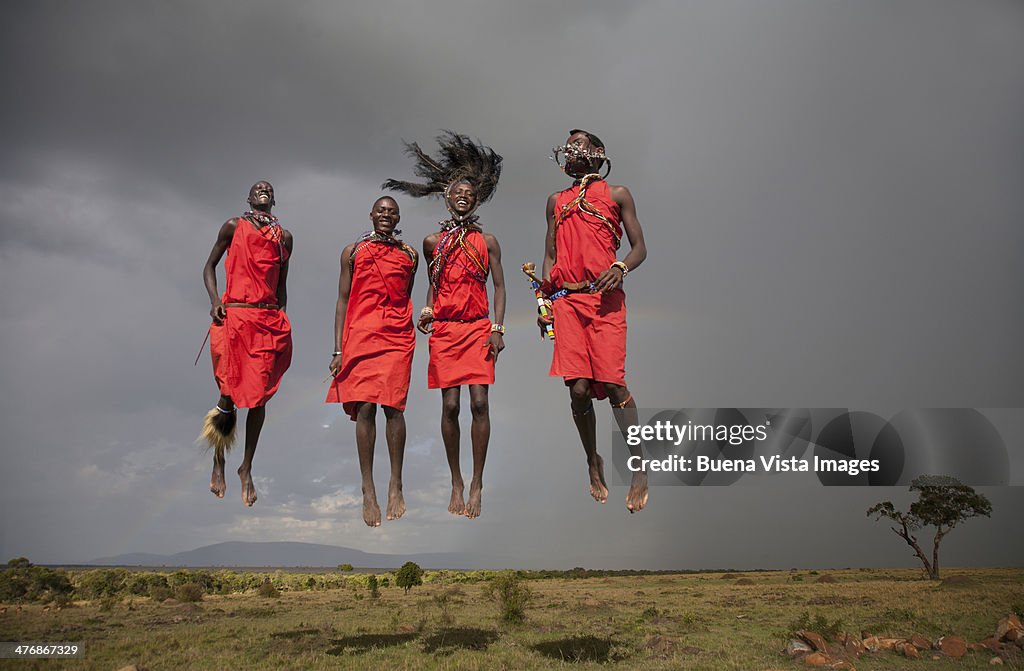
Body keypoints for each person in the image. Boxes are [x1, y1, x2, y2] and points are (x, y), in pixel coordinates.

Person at [383, 132, 506, 519]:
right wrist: (426, 309)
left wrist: (498, 329)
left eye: (470, 193)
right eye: (458, 192)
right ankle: (455, 479)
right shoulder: (432, 242)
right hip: (447, 331)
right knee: (451, 406)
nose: (464, 196)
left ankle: (477, 483)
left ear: (477, 199)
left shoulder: (488, 240)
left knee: (480, 403)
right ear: (447, 197)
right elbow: (433, 286)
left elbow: (500, 287)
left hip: (477, 327)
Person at [539, 130, 649, 512]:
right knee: (579, 390)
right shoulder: (556, 201)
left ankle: (638, 467)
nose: (571, 148)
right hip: (567, 302)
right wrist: (545, 303)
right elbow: (550, 258)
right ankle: (592, 460)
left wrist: (620, 267)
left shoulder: (618, 194)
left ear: (598, 153)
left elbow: (640, 249)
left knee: (614, 385)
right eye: (567, 143)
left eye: (580, 143)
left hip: (605, 300)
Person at [326, 196, 417, 527]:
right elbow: (341, 301)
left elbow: (406, 295)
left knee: (394, 407)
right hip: (360, 335)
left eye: (392, 212)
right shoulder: (353, 252)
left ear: (398, 218)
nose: (386, 215)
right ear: (371, 215)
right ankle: (368, 489)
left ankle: (396, 482)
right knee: (364, 408)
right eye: (381, 210)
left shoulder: (409, 255)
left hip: (397, 337)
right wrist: (338, 350)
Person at [200, 181, 293, 507]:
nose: (264, 189)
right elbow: (208, 267)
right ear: (250, 198)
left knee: (260, 398)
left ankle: (246, 468)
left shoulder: (284, 238)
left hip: (266, 323)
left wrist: (280, 317)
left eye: (269, 188)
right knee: (228, 394)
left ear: (273, 199)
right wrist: (215, 301)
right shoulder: (233, 226)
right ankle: (219, 460)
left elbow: (281, 287)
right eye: (258, 188)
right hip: (235, 318)